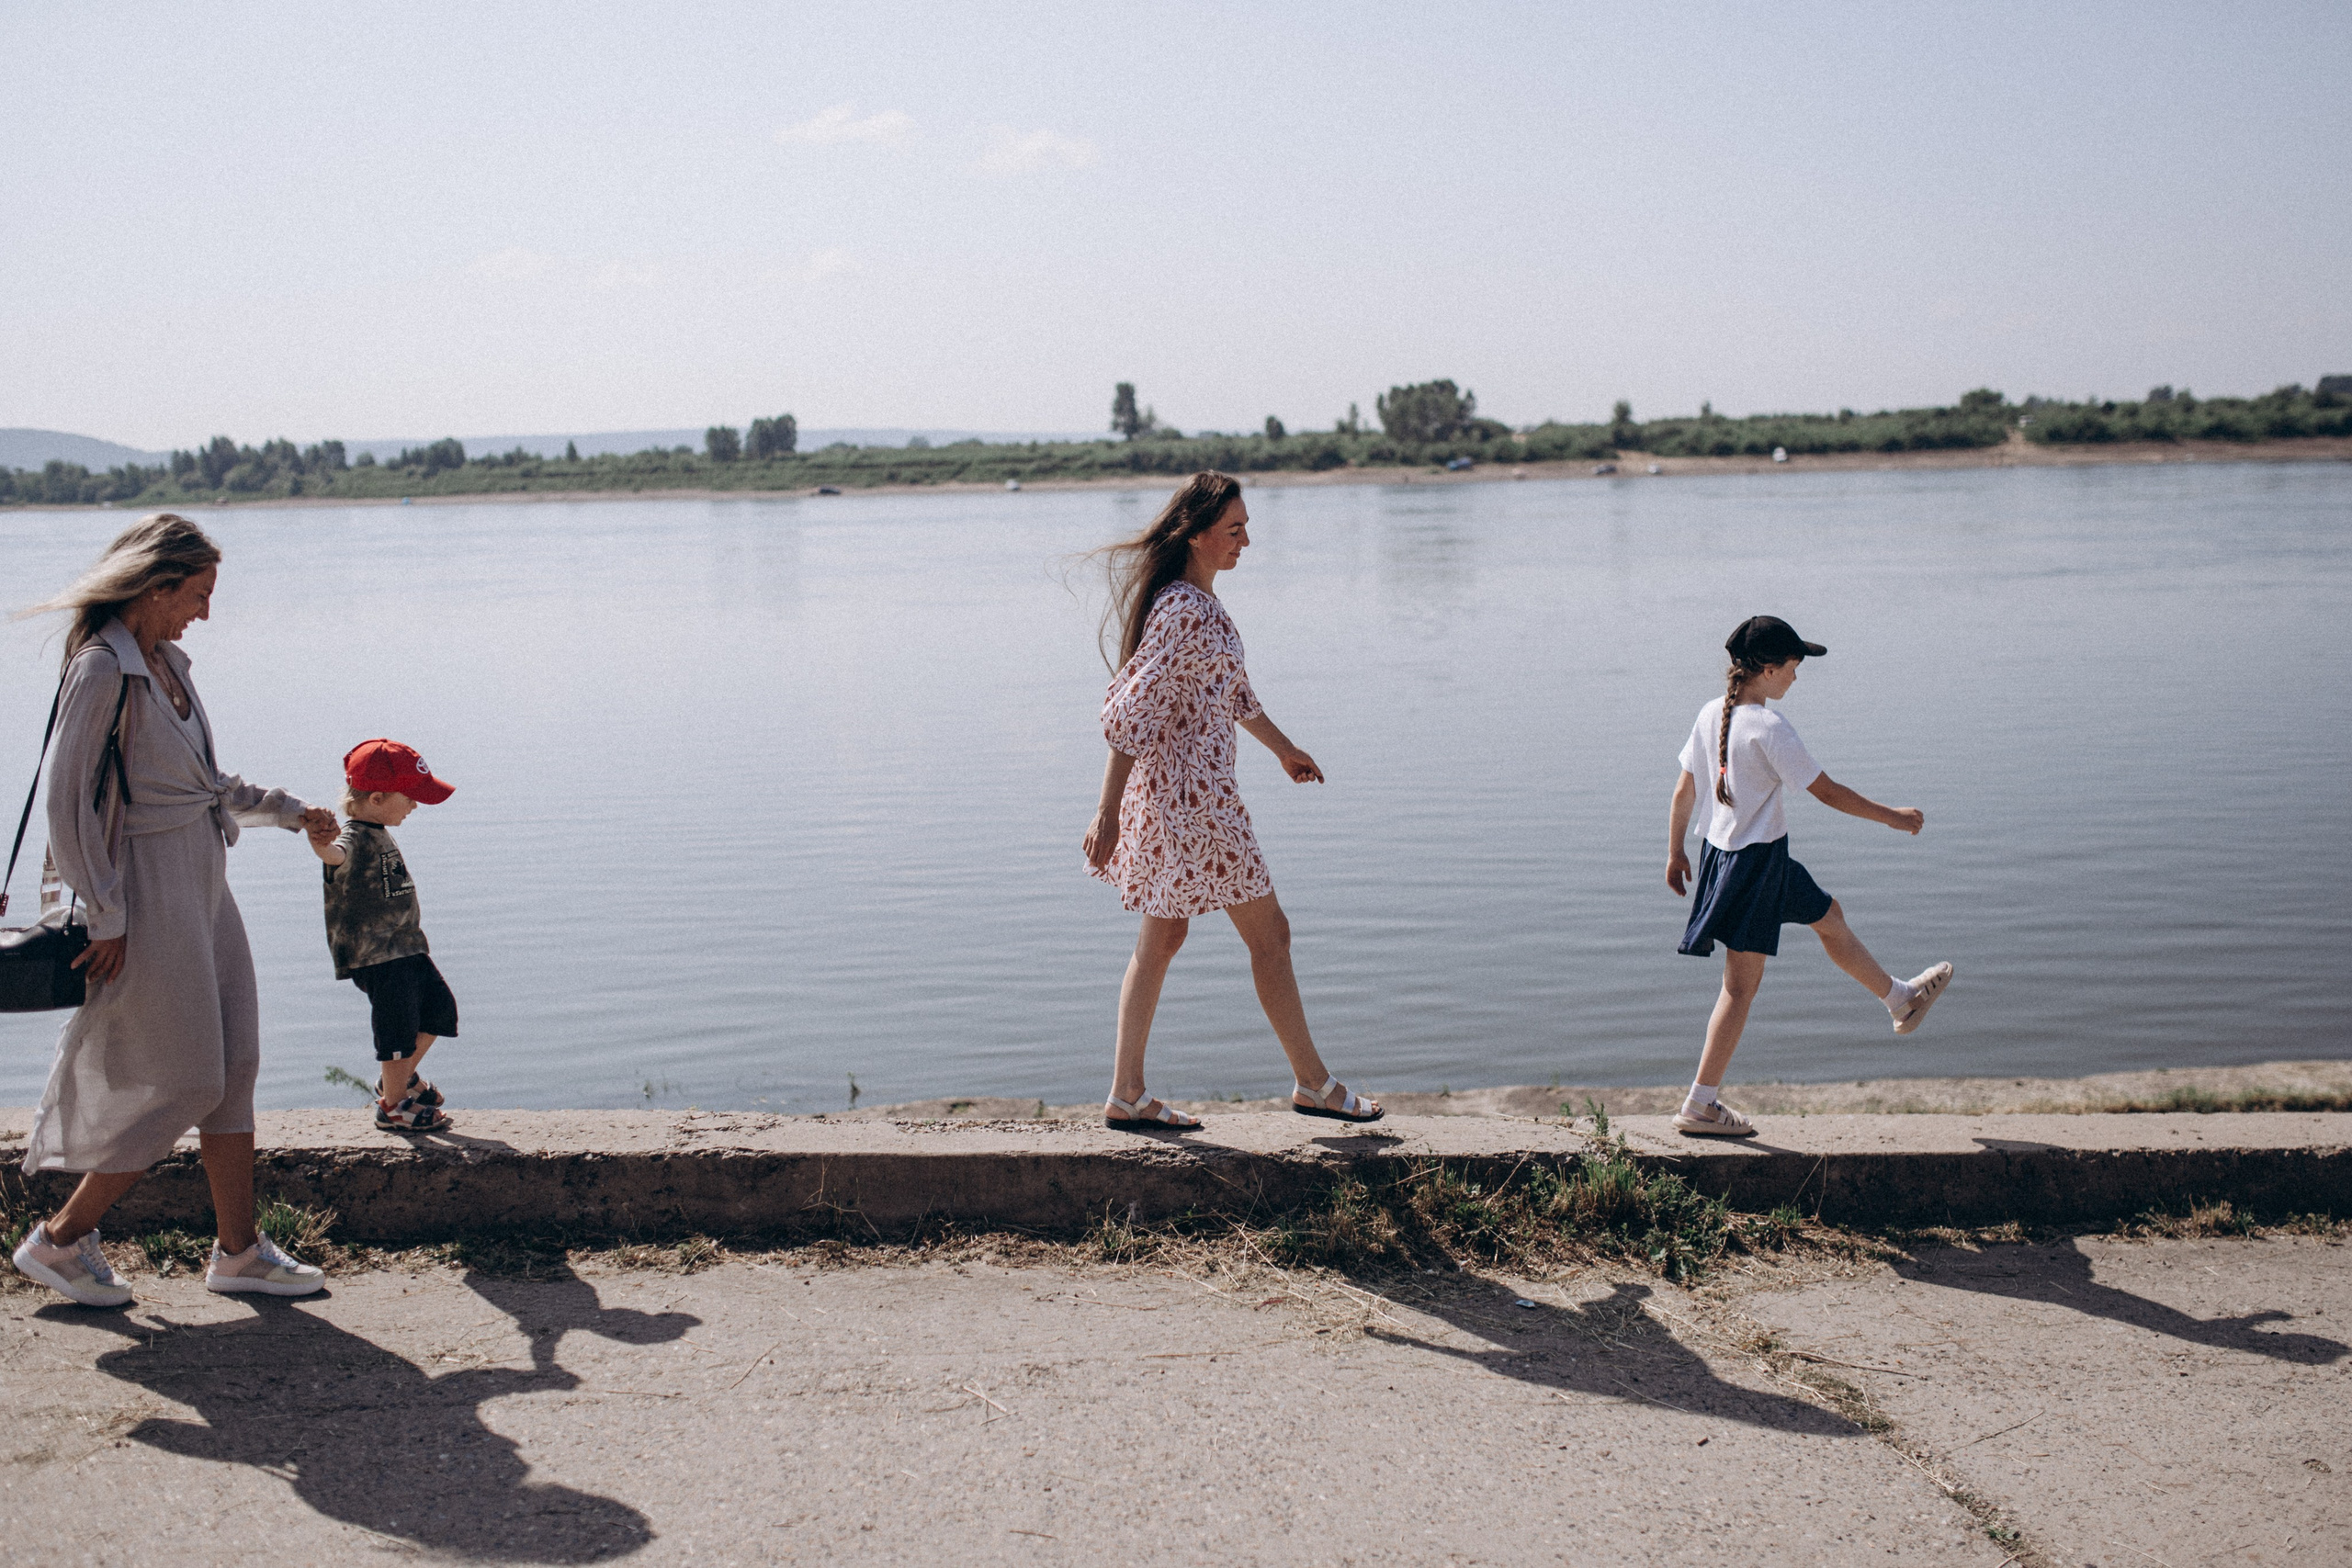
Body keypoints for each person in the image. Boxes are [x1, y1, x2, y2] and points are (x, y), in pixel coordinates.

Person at [10, 513, 330, 1304]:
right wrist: (108, 915)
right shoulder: (101, 669)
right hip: (147, 895)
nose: (205, 612)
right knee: (188, 1076)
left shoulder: (167, 663)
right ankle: (59, 1239)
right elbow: (66, 805)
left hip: (203, 885)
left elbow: (203, 785)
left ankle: (238, 1253)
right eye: (197, 593)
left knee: (236, 1064)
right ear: (155, 585)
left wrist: (292, 813)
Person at [1081, 471, 1381, 1130]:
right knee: (1270, 934)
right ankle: (1315, 1084)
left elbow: (1234, 693)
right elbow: (1128, 713)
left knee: (1162, 938)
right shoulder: (1186, 609)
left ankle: (1127, 1093)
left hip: (1188, 798)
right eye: (1234, 530)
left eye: (1247, 527)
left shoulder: (1195, 604)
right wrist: (1106, 809)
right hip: (1197, 807)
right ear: (1195, 534)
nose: (1247, 540)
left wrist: (1284, 749)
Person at [1665, 615, 1952, 1136]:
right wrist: (1895, 817)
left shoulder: (1712, 714)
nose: (1798, 676)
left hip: (1732, 858)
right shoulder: (1769, 729)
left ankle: (1900, 1000)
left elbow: (1683, 790)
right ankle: (1700, 1105)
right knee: (1739, 989)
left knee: (1829, 916)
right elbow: (1827, 792)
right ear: (1770, 670)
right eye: (1795, 666)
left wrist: (1676, 852)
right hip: (1753, 868)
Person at [310, 738, 458, 1134]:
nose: (414, 806)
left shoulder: (376, 829)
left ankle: (400, 1078)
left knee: (440, 1009)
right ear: (376, 798)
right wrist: (321, 845)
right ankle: (393, 1107)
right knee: (396, 1026)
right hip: (377, 954)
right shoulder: (355, 837)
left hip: (405, 946)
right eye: (409, 798)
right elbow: (335, 856)